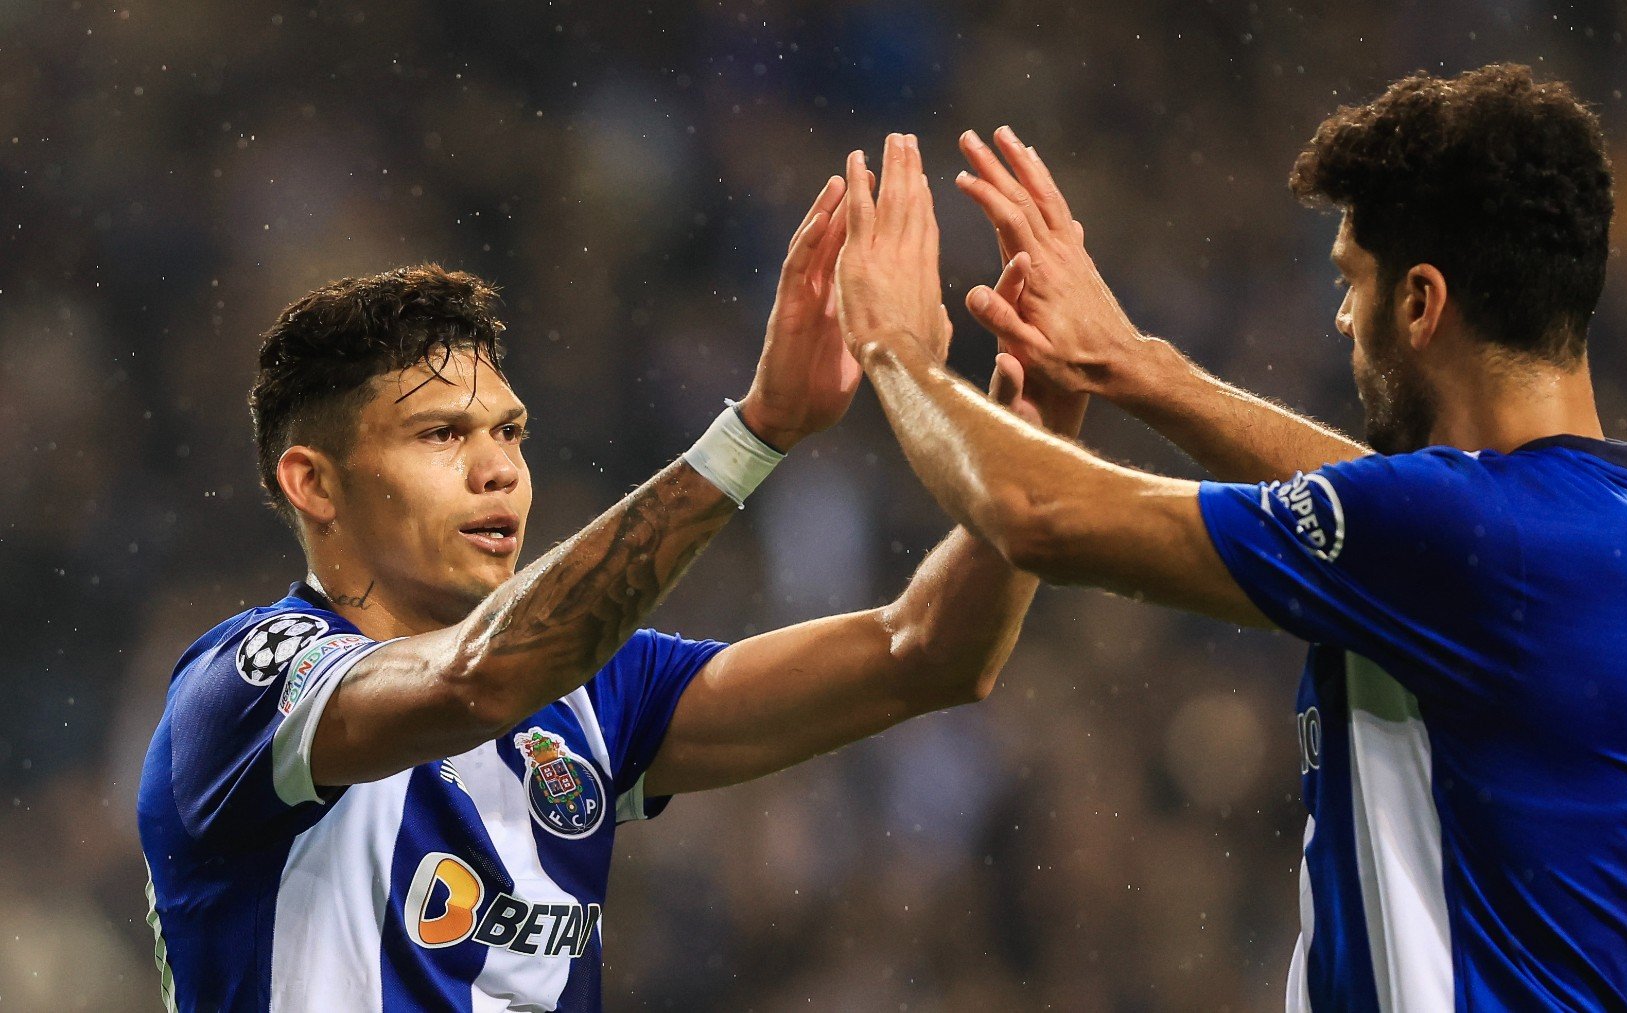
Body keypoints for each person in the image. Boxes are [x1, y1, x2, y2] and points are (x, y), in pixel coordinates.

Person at [834, 65, 1627, 1011]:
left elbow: (1035, 514)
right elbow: (1410, 523)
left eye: (1352, 282)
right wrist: (1142, 370)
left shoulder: (1468, 538)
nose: (1341, 317)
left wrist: (894, 350)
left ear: (1422, 303)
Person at [137, 173, 1084, 1011]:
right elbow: (476, 681)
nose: (498, 470)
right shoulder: (247, 682)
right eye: (441, 435)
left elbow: (930, 653)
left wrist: (1034, 438)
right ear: (314, 483)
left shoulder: (594, 691)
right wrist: (755, 432)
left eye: (509, 433)